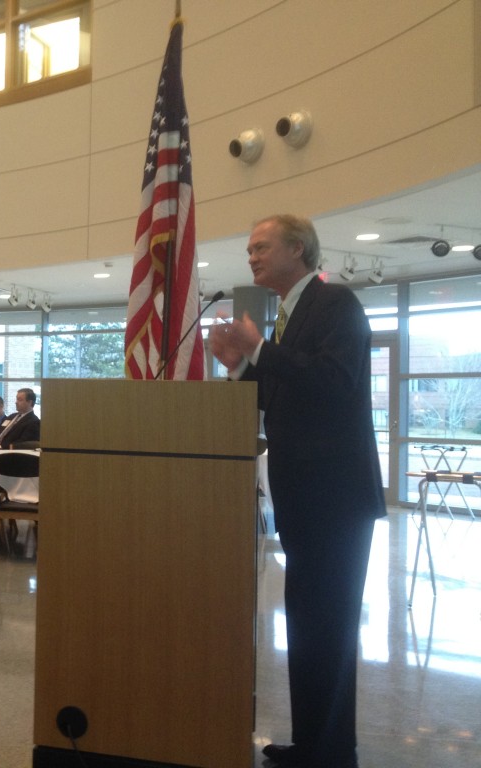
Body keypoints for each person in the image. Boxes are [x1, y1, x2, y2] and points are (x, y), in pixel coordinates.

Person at [209, 214, 384, 768]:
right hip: (307, 496)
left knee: (327, 627)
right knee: (308, 625)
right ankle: (314, 745)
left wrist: (259, 350)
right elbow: (283, 397)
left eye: (261, 247)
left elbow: (334, 381)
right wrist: (240, 367)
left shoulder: (336, 304)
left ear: (299, 249)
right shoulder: (291, 315)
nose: (251, 257)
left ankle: (331, 754)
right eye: (249, 249)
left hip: (334, 498)